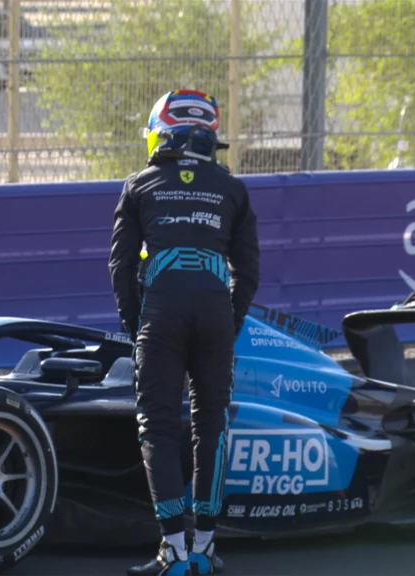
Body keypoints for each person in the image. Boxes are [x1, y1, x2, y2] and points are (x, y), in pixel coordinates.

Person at [109, 89, 260, 576]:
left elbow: (120, 267)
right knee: (210, 424)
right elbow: (250, 271)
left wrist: (138, 328)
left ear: (161, 132)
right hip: (215, 312)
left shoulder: (139, 186)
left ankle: (173, 549)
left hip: (163, 312)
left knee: (158, 424)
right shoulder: (233, 190)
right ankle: (206, 547)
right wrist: (228, 320)